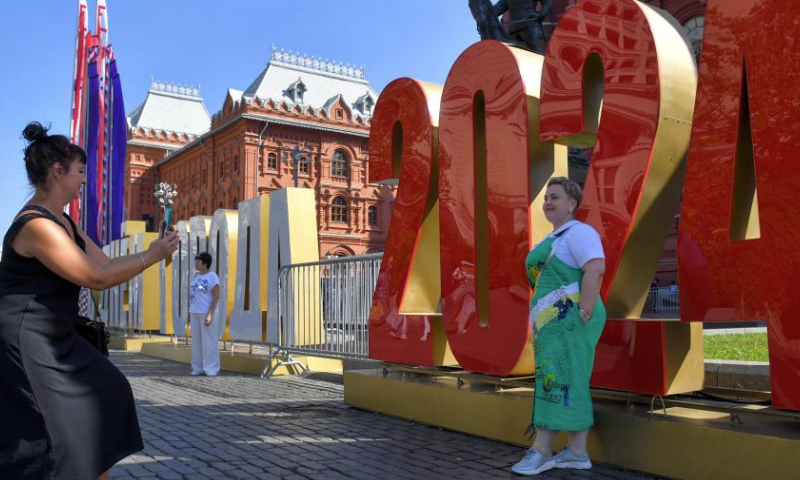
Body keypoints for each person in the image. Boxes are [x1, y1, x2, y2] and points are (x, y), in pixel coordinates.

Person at [0, 122, 180, 480]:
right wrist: (152, 256)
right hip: (27, 339)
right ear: (57, 171)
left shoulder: (63, 221)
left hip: (57, 334)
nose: (85, 179)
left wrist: (152, 251)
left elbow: (107, 265)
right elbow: (93, 277)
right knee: (55, 430)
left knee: (109, 390)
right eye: (80, 171)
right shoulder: (37, 225)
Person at [512, 177, 606, 476]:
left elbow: (596, 268)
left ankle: (540, 451)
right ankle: (577, 452)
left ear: (572, 203)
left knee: (556, 379)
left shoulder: (579, 232)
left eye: (555, 197)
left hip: (570, 321)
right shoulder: (556, 237)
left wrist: (585, 309)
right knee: (569, 380)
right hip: (556, 323)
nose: (548, 202)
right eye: (546, 198)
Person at [188, 252, 221, 376]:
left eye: (198, 261)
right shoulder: (196, 276)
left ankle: (211, 368)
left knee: (209, 341)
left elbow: (217, 296)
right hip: (195, 312)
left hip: (206, 312)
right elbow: (194, 295)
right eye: (196, 261)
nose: (196, 263)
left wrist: (210, 314)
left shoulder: (212, 276)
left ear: (205, 263)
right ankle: (197, 367)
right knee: (197, 342)